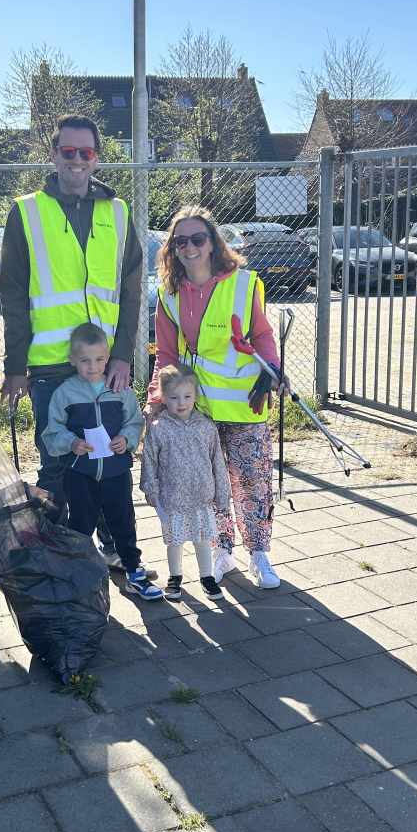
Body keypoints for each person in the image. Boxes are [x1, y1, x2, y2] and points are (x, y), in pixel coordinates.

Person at [0, 113, 156, 578]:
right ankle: (57, 557)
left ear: (97, 157)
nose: (77, 161)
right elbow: (12, 294)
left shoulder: (118, 211)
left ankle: (109, 549)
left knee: (108, 462)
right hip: (49, 370)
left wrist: (124, 352)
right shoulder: (26, 211)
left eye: (86, 153)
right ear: (54, 154)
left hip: (105, 366)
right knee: (59, 468)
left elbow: (131, 290)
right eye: (68, 152)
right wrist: (16, 365)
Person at [144, 205, 289, 590]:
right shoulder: (168, 294)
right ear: (173, 249)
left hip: (245, 404)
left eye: (198, 239)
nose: (189, 247)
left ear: (212, 243)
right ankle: (221, 549)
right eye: (180, 241)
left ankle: (259, 554)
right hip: (197, 409)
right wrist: (156, 400)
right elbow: (167, 356)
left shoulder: (241, 284)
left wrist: (271, 368)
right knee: (209, 484)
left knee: (252, 483)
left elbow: (261, 335)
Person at [42, 324, 161, 600]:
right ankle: (79, 579)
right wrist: (71, 442)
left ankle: (133, 573)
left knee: (124, 523)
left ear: (108, 357)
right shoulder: (65, 393)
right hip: (79, 474)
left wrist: (127, 439)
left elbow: (134, 422)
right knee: (81, 525)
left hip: (116, 472)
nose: (92, 366)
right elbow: (52, 432)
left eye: (98, 359)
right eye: (84, 360)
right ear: (72, 360)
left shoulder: (120, 389)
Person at [140, 364, 232, 601]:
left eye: (187, 397)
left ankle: (206, 576)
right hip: (172, 499)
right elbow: (149, 460)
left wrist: (222, 493)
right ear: (163, 397)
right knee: (175, 540)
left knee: (202, 538)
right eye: (174, 397)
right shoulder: (159, 429)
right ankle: (175, 576)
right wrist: (151, 488)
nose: (181, 403)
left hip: (201, 497)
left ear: (195, 396)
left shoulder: (206, 426)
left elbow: (217, 461)